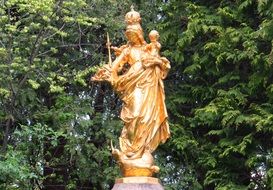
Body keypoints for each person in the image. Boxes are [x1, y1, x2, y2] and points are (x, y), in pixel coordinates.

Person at [92, 7, 170, 176]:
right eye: (128, 35)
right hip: (132, 86)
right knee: (134, 115)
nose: (131, 37)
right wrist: (107, 72)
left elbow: (161, 65)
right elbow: (115, 66)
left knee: (146, 118)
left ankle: (142, 151)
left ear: (139, 34)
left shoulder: (148, 49)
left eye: (133, 34)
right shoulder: (127, 50)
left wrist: (155, 62)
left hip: (148, 86)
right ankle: (132, 151)